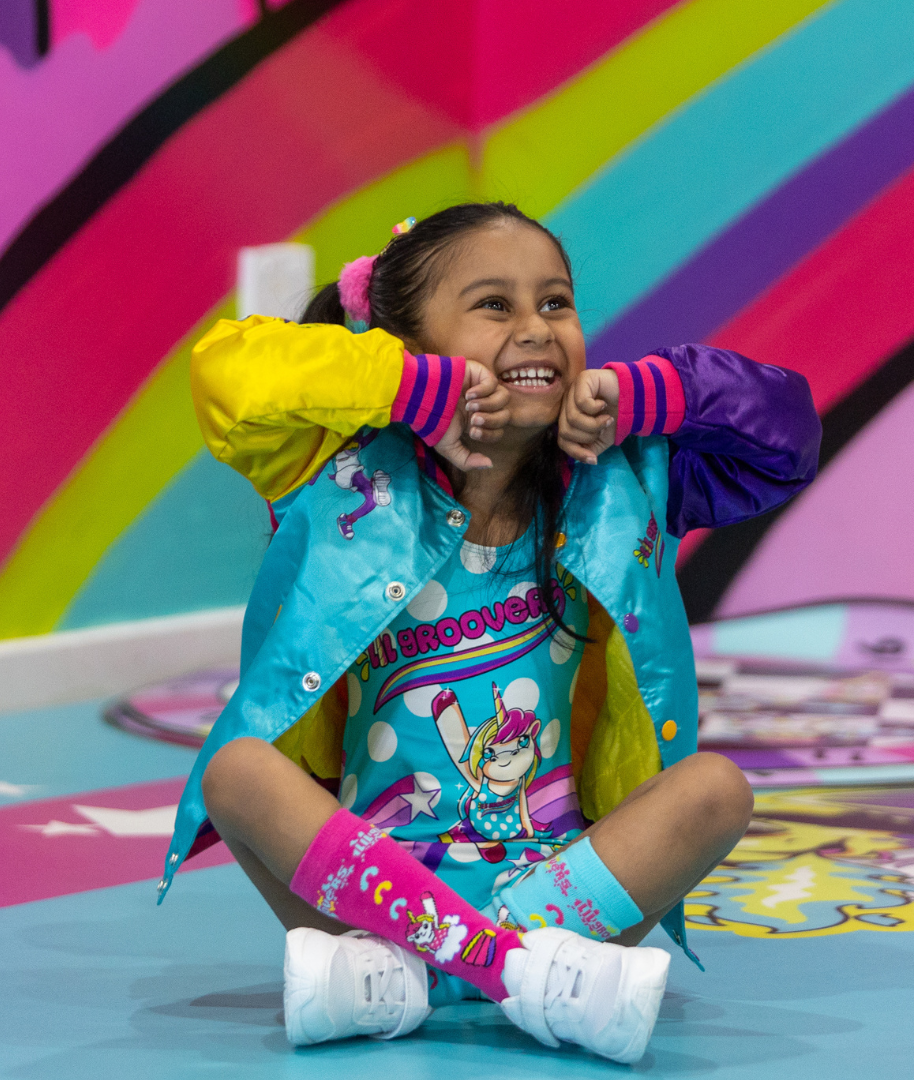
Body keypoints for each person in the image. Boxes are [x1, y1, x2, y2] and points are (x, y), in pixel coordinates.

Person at [157, 202, 821, 1063]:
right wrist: (402, 390)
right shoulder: (331, 466)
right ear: (405, 342)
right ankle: (509, 973)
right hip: (363, 880)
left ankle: (417, 976)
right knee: (239, 769)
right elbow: (228, 378)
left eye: (555, 303)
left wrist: (652, 395)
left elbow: (787, 438)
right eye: (495, 306)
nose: (537, 330)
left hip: (565, 886)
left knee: (717, 790)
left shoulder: (627, 483)